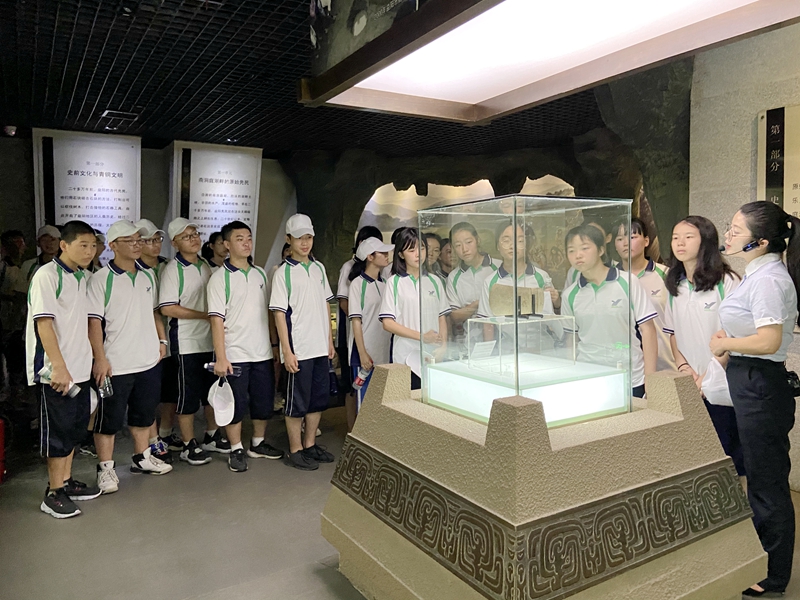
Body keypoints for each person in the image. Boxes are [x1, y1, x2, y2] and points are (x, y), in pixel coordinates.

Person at [711, 201, 800, 597]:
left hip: (761, 385)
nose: (728, 235)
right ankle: (761, 560)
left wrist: (726, 344)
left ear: (760, 242)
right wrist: (731, 345)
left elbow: (769, 340)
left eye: (736, 230)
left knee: (767, 483)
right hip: (750, 380)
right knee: (761, 479)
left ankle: (773, 576)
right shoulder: (757, 274)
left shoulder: (769, 280)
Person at [89, 220, 172, 495]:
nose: (138, 245)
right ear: (113, 246)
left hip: (148, 359)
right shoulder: (101, 279)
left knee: (144, 414)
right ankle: (105, 467)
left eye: (140, 240)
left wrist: (161, 341)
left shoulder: (148, 276)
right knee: (109, 420)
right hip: (116, 363)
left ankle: (142, 457)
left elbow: (154, 312)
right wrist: (100, 359)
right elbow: (94, 323)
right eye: (131, 241)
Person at [26, 220, 101, 518]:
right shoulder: (47, 275)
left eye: (93, 245)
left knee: (72, 430)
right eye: (83, 245)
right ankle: (53, 492)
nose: (89, 251)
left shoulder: (82, 277)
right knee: (57, 434)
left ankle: (66, 482)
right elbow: (43, 324)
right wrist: (58, 367)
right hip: (55, 372)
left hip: (79, 369)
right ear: (64, 245)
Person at [663, 216, 743, 476]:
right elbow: (672, 332)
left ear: (706, 241)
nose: (680, 243)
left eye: (688, 237)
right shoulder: (674, 284)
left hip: (722, 383)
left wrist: (708, 376)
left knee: (728, 458)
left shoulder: (727, 281)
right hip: (691, 382)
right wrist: (683, 367)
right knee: (695, 459)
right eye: (675, 237)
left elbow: (734, 334)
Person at [208, 221, 283, 473]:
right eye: (239, 239)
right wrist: (221, 357)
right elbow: (216, 320)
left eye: (249, 238)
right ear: (227, 244)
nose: (246, 243)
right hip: (234, 353)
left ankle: (258, 443)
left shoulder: (260, 274)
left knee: (263, 401)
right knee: (235, 403)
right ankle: (236, 448)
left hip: (262, 351)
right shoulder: (220, 278)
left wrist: (274, 344)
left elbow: (270, 313)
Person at [270, 214, 336, 471]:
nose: (305, 243)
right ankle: (296, 449)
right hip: (299, 348)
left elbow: (325, 306)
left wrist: (329, 341)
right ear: (289, 239)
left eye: (309, 237)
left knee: (317, 399)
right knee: (296, 402)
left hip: (319, 347)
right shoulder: (283, 273)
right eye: (299, 238)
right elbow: (279, 314)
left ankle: (310, 444)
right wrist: (286, 351)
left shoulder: (318, 268)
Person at [561, 224, 657, 398]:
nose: (578, 255)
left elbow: (648, 329)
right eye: (571, 250)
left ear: (601, 250)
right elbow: (571, 340)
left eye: (584, 248)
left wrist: (650, 379)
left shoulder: (628, 282)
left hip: (630, 377)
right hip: (588, 377)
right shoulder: (570, 294)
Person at [159, 218, 226, 465]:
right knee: (187, 396)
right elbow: (167, 308)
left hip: (210, 341)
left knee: (211, 392)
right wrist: (203, 316)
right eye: (186, 236)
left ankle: (211, 435)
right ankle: (188, 445)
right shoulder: (172, 270)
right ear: (175, 243)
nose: (194, 239)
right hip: (186, 342)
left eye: (195, 234)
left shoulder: (206, 265)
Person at [380, 228, 450, 390]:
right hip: (405, 356)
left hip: (432, 355)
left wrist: (443, 346)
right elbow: (388, 323)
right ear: (400, 254)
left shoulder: (435, 281)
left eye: (422, 248)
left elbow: (441, 316)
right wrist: (422, 337)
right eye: (411, 250)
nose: (418, 254)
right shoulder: (394, 282)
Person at [134, 219, 176, 463]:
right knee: (148, 396)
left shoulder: (167, 266)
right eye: (148, 240)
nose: (155, 244)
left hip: (169, 338)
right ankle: (152, 439)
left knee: (169, 391)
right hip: (144, 341)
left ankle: (166, 433)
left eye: (157, 239)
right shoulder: (134, 269)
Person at [336, 226, 383, 430]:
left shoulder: (385, 281)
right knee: (357, 390)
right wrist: (361, 350)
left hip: (380, 346)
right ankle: (354, 432)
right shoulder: (354, 278)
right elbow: (348, 308)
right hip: (360, 343)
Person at [614, 217, 675, 372]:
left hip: (664, 362)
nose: (625, 243)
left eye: (632, 237)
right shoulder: (611, 278)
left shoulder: (665, 274)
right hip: (623, 365)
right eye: (620, 239)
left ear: (646, 241)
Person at [347, 237, 393, 427]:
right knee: (365, 403)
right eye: (382, 253)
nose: (386, 255)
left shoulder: (386, 283)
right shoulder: (358, 284)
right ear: (370, 257)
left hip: (384, 351)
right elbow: (356, 321)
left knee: (382, 401)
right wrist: (363, 353)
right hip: (365, 353)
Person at [476, 222, 558, 319]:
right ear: (498, 246)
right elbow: (486, 322)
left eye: (519, 241)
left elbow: (549, 317)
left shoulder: (541, 277)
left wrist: (556, 301)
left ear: (526, 244)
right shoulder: (490, 282)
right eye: (506, 241)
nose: (512, 246)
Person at [445, 223, 500, 350]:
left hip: (504, 339)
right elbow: (454, 316)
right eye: (458, 245)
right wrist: (478, 304)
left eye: (468, 242)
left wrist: (467, 309)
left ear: (478, 240)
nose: (464, 249)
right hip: (469, 342)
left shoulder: (498, 268)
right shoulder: (454, 277)